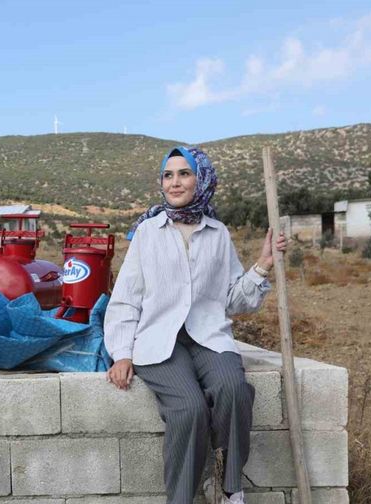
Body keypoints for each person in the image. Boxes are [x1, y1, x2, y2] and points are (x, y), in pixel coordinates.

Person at [103, 146, 287, 504]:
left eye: (184, 173)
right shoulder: (147, 233)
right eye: (168, 175)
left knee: (234, 389)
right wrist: (122, 353)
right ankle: (182, 498)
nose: (175, 182)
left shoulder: (217, 233)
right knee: (188, 409)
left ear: (201, 179)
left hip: (208, 336)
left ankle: (229, 486)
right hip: (159, 342)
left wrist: (263, 264)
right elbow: (127, 297)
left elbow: (232, 299)